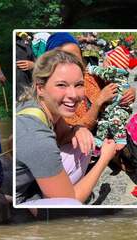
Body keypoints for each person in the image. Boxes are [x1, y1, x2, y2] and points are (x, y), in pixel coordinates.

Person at [15, 49, 116, 205]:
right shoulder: (36, 135)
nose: (73, 94)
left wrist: (77, 129)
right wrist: (104, 158)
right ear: (40, 88)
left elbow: (62, 137)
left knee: (84, 143)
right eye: (62, 85)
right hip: (16, 199)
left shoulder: (43, 107)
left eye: (79, 85)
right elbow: (68, 201)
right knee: (71, 204)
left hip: (25, 178)